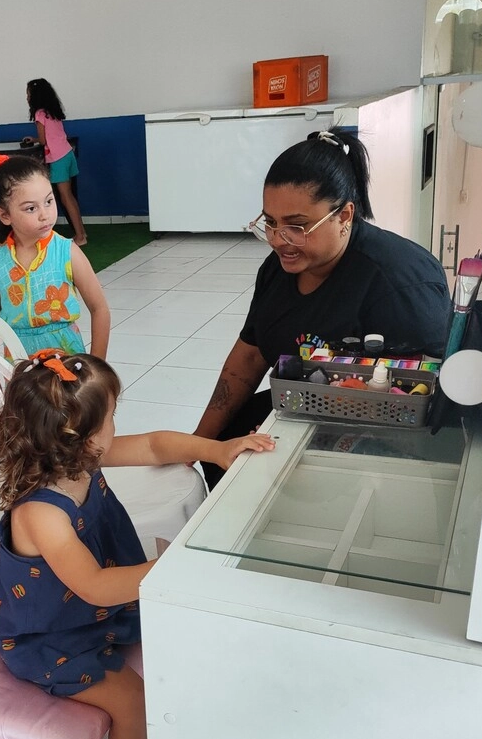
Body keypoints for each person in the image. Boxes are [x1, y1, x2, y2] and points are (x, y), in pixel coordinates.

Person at [0, 350, 275, 739]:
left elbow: (153, 445)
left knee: (184, 637)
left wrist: (217, 449)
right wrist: (170, 566)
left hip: (96, 609)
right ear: (77, 436)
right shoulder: (40, 513)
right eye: (112, 417)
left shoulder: (80, 457)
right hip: (50, 639)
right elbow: (93, 585)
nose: (117, 428)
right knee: (131, 702)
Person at [193, 130, 451, 488]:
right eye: (270, 222)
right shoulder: (278, 269)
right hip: (304, 403)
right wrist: (196, 446)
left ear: (345, 215)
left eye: (297, 226)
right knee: (226, 449)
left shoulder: (400, 285)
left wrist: (309, 443)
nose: (278, 240)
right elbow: (248, 359)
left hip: (375, 431)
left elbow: (420, 402)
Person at [0, 153, 109, 356]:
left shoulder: (66, 252)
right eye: (31, 208)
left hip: (67, 362)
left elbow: (100, 309)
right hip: (19, 365)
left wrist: (97, 368)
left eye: (49, 201)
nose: (45, 214)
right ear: (5, 215)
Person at [22, 78, 86, 243]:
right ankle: (81, 233)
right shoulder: (53, 111)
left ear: (34, 96)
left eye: (28, 93)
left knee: (65, 197)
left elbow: (43, 141)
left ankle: (80, 236)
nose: (27, 96)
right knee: (70, 196)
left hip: (57, 158)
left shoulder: (39, 114)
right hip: (68, 154)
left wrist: (34, 139)